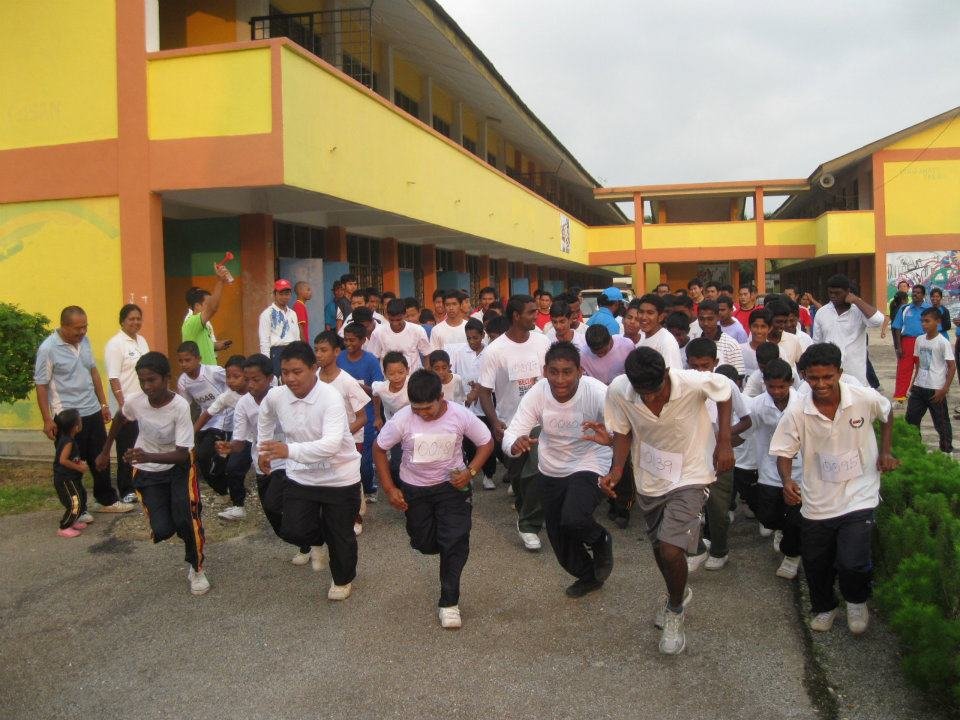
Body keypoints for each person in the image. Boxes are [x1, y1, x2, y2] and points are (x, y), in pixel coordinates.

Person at [600, 347, 734, 654]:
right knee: (662, 550)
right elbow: (622, 432)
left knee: (673, 548)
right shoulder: (620, 389)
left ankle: (675, 611)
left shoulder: (693, 382)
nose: (648, 398)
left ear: (666, 374)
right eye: (641, 392)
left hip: (690, 473)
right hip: (650, 478)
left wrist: (724, 442)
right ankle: (678, 592)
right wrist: (617, 469)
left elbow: (725, 393)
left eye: (654, 390)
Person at [770, 342, 898, 634]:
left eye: (828, 377)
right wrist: (787, 480)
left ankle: (856, 601)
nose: (821, 384)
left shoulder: (863, 398)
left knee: (853, 560)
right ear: (803, 376)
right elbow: (784, 452)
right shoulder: (797, 412)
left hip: (859, 493)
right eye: (813, 378)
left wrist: (885, 451)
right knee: (817, 562)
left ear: (839, 372)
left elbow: (887, 411)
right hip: (817, 500)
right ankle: (825, 607)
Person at [373, 369, 493, 629]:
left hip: (452, 487)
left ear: (441, 397)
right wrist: (390, 488)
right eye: (417, 409)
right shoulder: (403, 419)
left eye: (428, 408)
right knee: (424, 543)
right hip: (415, 490)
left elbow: (486, 442)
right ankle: (444, 543)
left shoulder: (460, 415)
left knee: (454, 541)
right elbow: (379, 449)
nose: (423, 414)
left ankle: (449, 603)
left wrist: (470, 471)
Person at [502, 342, 614, 598]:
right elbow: (513, 432)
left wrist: (609, 438)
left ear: (580, 371)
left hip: (590, 460)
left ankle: (600, 539)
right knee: (558, 535)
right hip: (551, 467)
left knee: (574, 516)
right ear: (545, 371)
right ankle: (589, 576)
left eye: (567, 372)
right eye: (554, 372)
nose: (560, 379)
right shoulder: (537, 393)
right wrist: (515, 444)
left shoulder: (597, 392)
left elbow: (621, 431)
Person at [96, 351, 209, 596]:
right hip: (148, 471)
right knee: (163, 529)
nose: (147, 387)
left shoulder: (179, 407)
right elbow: (120, 417)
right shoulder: (137, 402)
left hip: (179, 468)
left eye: (152, 380)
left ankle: (196, 568)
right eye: (142, 381)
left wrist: (148, 455)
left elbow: (181, 454)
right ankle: (174, 514)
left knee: (186, 519)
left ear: (166, 378)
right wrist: (106, 452)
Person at [257, 341, 363, 601]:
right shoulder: (276, 395)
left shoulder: (330, 398)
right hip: (301, 475)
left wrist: (287, 451)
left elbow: (331, 445)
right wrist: (264, 449)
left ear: (314, 369)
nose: (290, 378)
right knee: (293, 527)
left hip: (339, 476)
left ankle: (341, 579)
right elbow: (266, 415)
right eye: (285, 372)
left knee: (341, 536)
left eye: (297, 371)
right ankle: (317, 541)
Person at [35, 306, 133, 515]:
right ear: (64, 326)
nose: (82, 332)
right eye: (77, 329)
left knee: (101, 457)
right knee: (72, 464)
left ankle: (106, 500)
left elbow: (94, 373)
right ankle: (78, 508)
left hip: (92, 410)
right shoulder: (48, 349)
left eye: (85, 327)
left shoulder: (85, 342)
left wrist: (103, 404)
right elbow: (41, 385)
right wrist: (47, 419)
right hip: (67, 416)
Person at [478, 294, 551, 550]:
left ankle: (529, 524)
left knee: (537, 469)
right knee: (520, 476)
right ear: (516, 316)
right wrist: (495, 421)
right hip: (511, 424)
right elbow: (484, 391)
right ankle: (524, 509)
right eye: (531, 312)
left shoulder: (543, 341)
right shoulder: (494, 351)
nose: (536, 315)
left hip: (541, 421)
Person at [683, 338, 752, 572]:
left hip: (718, 454)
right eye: (694, 366)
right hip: (689, 454)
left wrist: (722, 437)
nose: (700, 371)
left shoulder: (726, 385)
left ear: (716, 362)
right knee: (687, 506)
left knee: (717, 506)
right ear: (687, 363)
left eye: (705, 365)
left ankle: (720, 550)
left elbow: (746, 421)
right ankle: (695, 549)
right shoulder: (681, 385)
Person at [750, 358, 803, 579]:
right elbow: (746, 424)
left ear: (791, 382)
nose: (777, 391)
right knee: (768, 517)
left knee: (796, 518)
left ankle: (792, 556)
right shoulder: (758, 405)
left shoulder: (803, 403)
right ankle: (781, 529)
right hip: (770, 470)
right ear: (765, 384)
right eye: (772, 386)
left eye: (782, 386)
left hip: (801, 471)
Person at [315, 331, 373, 529]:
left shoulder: (347, 381)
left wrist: (342, 435)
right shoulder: (312, 380)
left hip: (350, 439)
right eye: (316, 350)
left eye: (324, 350)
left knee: (349, 478)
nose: (319, 355)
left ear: (336, 352)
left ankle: (356, 516)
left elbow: (362, 417)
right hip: (322, 439)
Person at [105, 303, 150, 504]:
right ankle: (125, 489)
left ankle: (141, 482)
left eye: (138, 318)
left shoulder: (142, 341)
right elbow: (114, 378)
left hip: (143, 405)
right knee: (126, 447)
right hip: (126, 407)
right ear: (122, 321)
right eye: (131, 319)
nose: (136, 322)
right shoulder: (115, 344)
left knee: (142, 445)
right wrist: (123, 407)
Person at [176, 341, 232, 494]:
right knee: (200, 455)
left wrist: (230, 400)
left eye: (188, 360)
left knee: (206, 453)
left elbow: (232, 381)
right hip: (206, 419)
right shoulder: (183, 381)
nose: (184, 364)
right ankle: (224, 486)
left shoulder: (213, 372)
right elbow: (184, 406)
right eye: (180, 361)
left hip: (224, 417)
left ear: (198, 359)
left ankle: (225, 488)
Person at [337, 322, 385, 503]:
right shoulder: (339, 358)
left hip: (366, 415)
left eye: (352, 340)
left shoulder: (371, 360)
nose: (348, 343)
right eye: (346, 340)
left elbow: (377, 390)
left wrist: (378, 417)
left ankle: (369, 486)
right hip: (342, 415)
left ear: (363, 340)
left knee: (364, 460)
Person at [449, 319, 498, 490]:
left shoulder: (490, 353)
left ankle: (488, 475)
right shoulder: (459, 352)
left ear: (483, 336)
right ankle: (469, 472)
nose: (472, 342)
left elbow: (493, 379)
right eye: (468, 338)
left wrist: (478, 391)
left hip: (486, 405)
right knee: (468, 443)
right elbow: (453, 375)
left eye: (475, 338)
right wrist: (465, 396)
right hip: (465, 405)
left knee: (486, 440)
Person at [811, 274, 883, 387]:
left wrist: (856, 300)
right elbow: (816, 344)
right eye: (830, 293)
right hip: (830, 375)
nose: (833, 296)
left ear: (848, 291)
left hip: (856, 375)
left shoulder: (859, 311)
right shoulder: (822, 312)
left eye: (837, 293)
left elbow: (878, 320)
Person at [905, 307, 956, 453]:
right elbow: (919, 364)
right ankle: (914, 449)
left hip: (936, 388)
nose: (924, 324)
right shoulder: (919, 340)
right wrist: (912, 384)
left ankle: (946, 451)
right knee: (911, 420)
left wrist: (944, 389)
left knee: (941, 423)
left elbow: (951, 367)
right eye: (922, 321)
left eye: (927, 321)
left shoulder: (942, 342)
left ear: (938, 322)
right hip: (919, 387)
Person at [182, 264, 234, 365]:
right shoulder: (191, 322)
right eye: (208, 303)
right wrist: (220, 281)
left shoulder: (203, 323)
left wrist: (216, 346)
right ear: (197, 306)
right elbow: (213, 308)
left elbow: (202, 345)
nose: (210, 306)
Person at [372, 351, 411, 483]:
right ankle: (398, 488)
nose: (397, 377)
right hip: (394, 428)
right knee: (396, 463)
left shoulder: (412, 385)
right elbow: (375, 394)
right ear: (385, 374)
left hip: (413, 427)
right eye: (391, 374)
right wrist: (377, 416)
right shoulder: (381, 388)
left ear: (407, 370)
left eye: (401, 372)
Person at [890, 283, 931, 402]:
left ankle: (919, 394)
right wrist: (898, 346)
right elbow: (897, 327)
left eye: (918, 292)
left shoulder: (929, 309)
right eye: (914, 292)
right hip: (907, 341)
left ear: (923, 295)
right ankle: (899, 396)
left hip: (924, 341)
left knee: (924, 368)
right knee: (904, 369)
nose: (915, 294)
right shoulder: (904, 308)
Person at [367, 298, 431, 371]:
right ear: (387, 315)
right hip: (388, 380)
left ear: (404, 315)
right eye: (391, 320)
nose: (395, 323)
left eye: (398, 320)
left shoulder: (418, 330)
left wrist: (425, 374)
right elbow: (373, 359)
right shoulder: (378, 333)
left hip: (413, 379)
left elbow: (427, 355)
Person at [51, 409, 88, 538]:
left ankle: (73, 521)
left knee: (82, 497)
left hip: (72, 478)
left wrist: (78, 463)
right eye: (80, 420)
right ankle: (64, 527)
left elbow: (71, 458)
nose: (81, 422)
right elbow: (63, 460)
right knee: (75, 502)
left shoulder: (68, 439)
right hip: (65, 479)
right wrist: (79, 468)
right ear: (75, 427)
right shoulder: (68, 442)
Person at [259, 279, 302, 377]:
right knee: (277, 384)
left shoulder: (293, 314)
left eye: (287, 294)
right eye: (281, 294)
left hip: (293, 352)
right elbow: (264, 341)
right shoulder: (267, 314)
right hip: (276, 353)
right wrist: (266, 363)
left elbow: (297, 337)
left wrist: (299, 354)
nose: (284, 297)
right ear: (274, 294)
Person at [690, 300, 745, 375]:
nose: (706, 323)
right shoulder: (695, 344)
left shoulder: (731, 344)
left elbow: (738, 378)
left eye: (710, 319)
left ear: (718, 317)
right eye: (702, 319)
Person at [634, 294, 683, 368]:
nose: (644, 317)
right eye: (641, 312)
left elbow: (671, 375)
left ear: (660, 317)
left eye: (650, 313)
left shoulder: (667, 342)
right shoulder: (642, 335)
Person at [765, 300, 804, 367]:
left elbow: (801, 366)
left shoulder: (794, 340)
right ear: (769, 320)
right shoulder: (760, 340)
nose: (783, 326)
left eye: (785, 322)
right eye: (778, 322)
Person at [740, 308, 773, 374]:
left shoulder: (777, 351)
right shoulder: (739, 350)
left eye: (763, 327)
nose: (759, 331)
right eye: (755, 326)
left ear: (770, 329)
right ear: (750, 327)